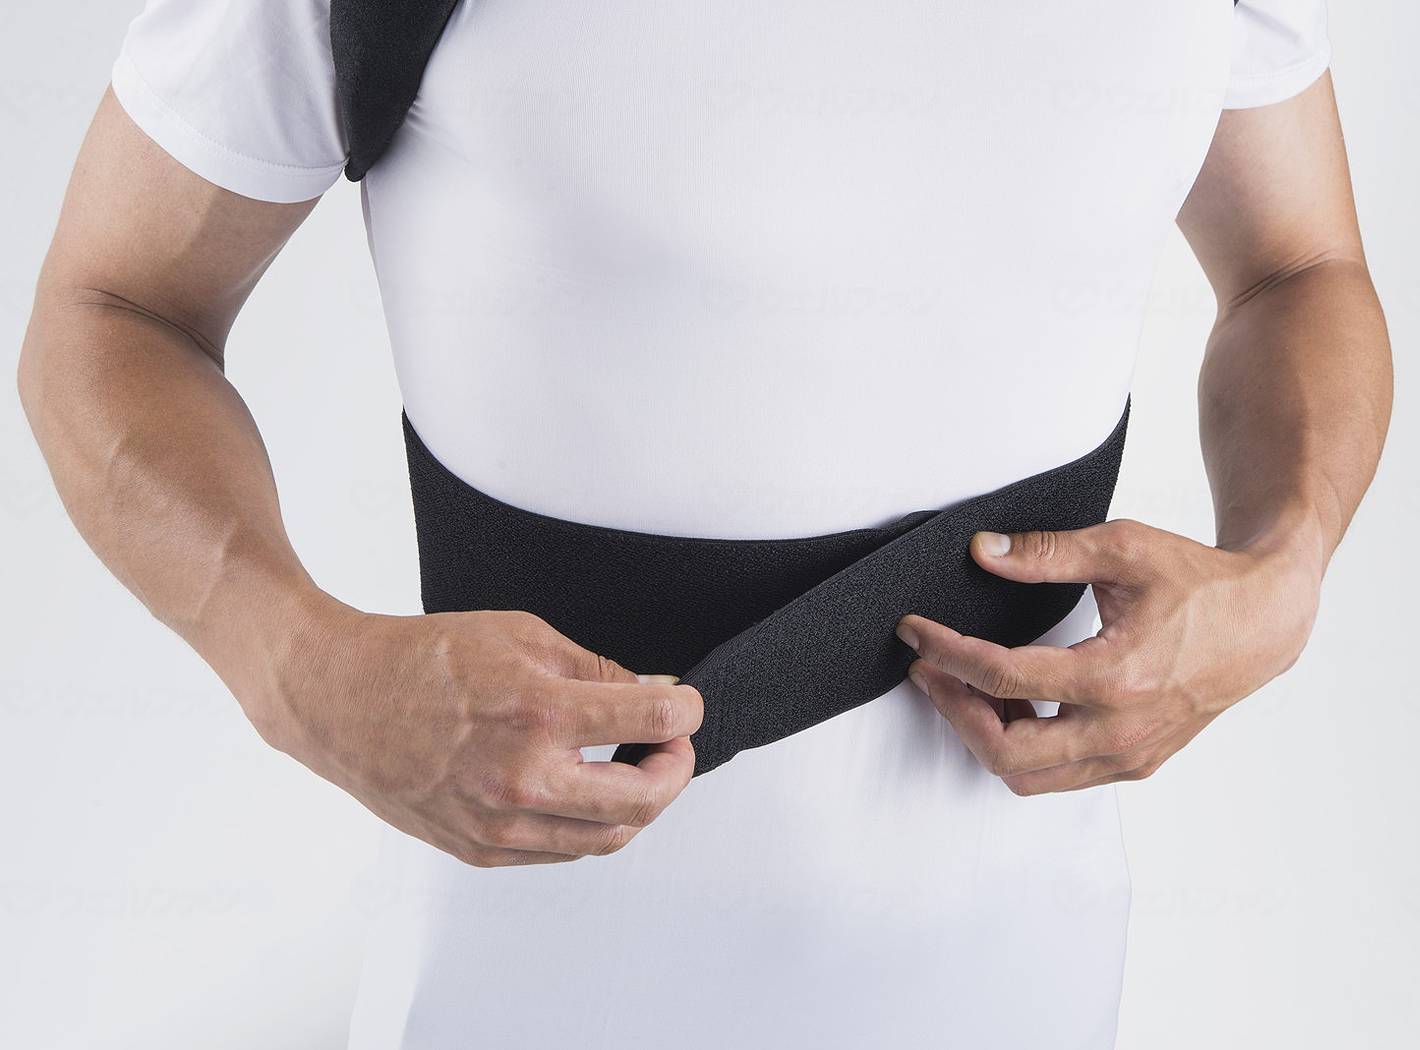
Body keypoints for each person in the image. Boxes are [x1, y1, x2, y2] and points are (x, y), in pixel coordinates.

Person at [17, 1, 1390, 1047]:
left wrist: (1286, 565)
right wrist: (297, 667)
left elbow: (1301, 262)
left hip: (1039, 980)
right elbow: (112, 308)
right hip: (514, 994)